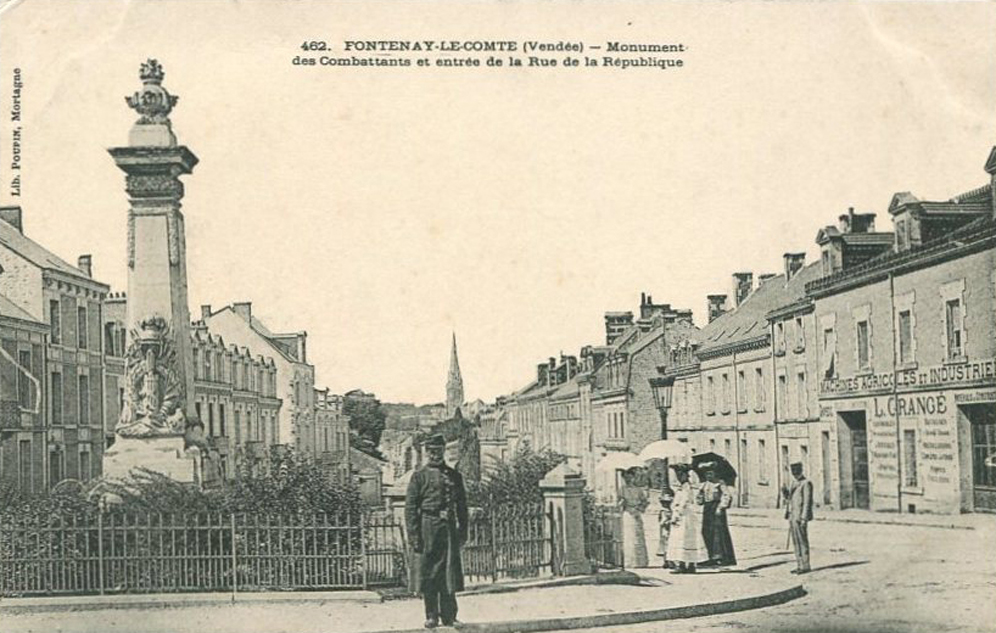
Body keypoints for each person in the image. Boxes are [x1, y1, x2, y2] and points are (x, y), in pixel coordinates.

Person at [405, 434, 469, 628]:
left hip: (448, 529)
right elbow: (410, 508)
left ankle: (450, 616)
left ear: (443, 452)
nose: (435, 455)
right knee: (429, 573)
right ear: (427, 453)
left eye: (438, 451)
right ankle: (431, 615)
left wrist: (463, 531)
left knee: (448, 572)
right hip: (427, 527)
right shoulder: (419, 476)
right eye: (431, 452)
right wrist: (414, 536)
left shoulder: (454, 476)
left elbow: (462, 507)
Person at [665, 465, 709, 573]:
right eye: (677, 475)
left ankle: (686, 564)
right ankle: (685, 564)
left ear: (685, 475)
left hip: (684, 516)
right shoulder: (681, 487)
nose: (679, 477)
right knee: (682, 538)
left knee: (684, 538)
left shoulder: (686, 487)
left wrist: (677, 513)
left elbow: (684, 502)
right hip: (683, 515)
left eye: (680, 474)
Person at [700, 465, 737, 567]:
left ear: (715, 473)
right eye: (706, 474)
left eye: (710, 473)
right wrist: (700, 498)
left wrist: (721, 507)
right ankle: (709, 556)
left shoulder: (720, 483)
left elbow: (727, 496)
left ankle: (721, 557)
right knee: (706, 531)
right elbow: (701, 499)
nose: (708, 476)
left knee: (718, 533)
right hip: (707, 509)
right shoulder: (704, 485)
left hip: (716, 508)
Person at [785, 461, 813, 574]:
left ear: (800, 471)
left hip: (800, 517)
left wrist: (804, 518)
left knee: (802, 541)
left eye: (796, 472)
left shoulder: (806, 483)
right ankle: (799, 564)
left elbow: (807, 502)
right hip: (792, 516)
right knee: (796, 542)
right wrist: (787, 511)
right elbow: (790, 500)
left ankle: (805, 565)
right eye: (793, 472)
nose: (795, 474)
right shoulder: (793, 483)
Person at [619, 468, 650, 568]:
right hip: (627, 513)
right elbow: (619, 503)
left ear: (633, 477)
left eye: (630, 477)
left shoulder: (638, 489)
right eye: (626, 477)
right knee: (628, 537)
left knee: (638, 536)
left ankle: (640, 561)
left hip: (636, 513)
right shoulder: (621, 489)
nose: (628, 479)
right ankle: (629, 561)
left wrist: (639, 508)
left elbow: (645, 501)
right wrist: (621, 503)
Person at [656, 483, 675, 568]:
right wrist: (666, 522)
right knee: (666, 543)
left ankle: (668, 560)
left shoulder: (670, 510)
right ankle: (667, 561)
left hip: (669, 528)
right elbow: (661, 521)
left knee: (669, 543)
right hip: (665, 529)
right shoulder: (663, 511)